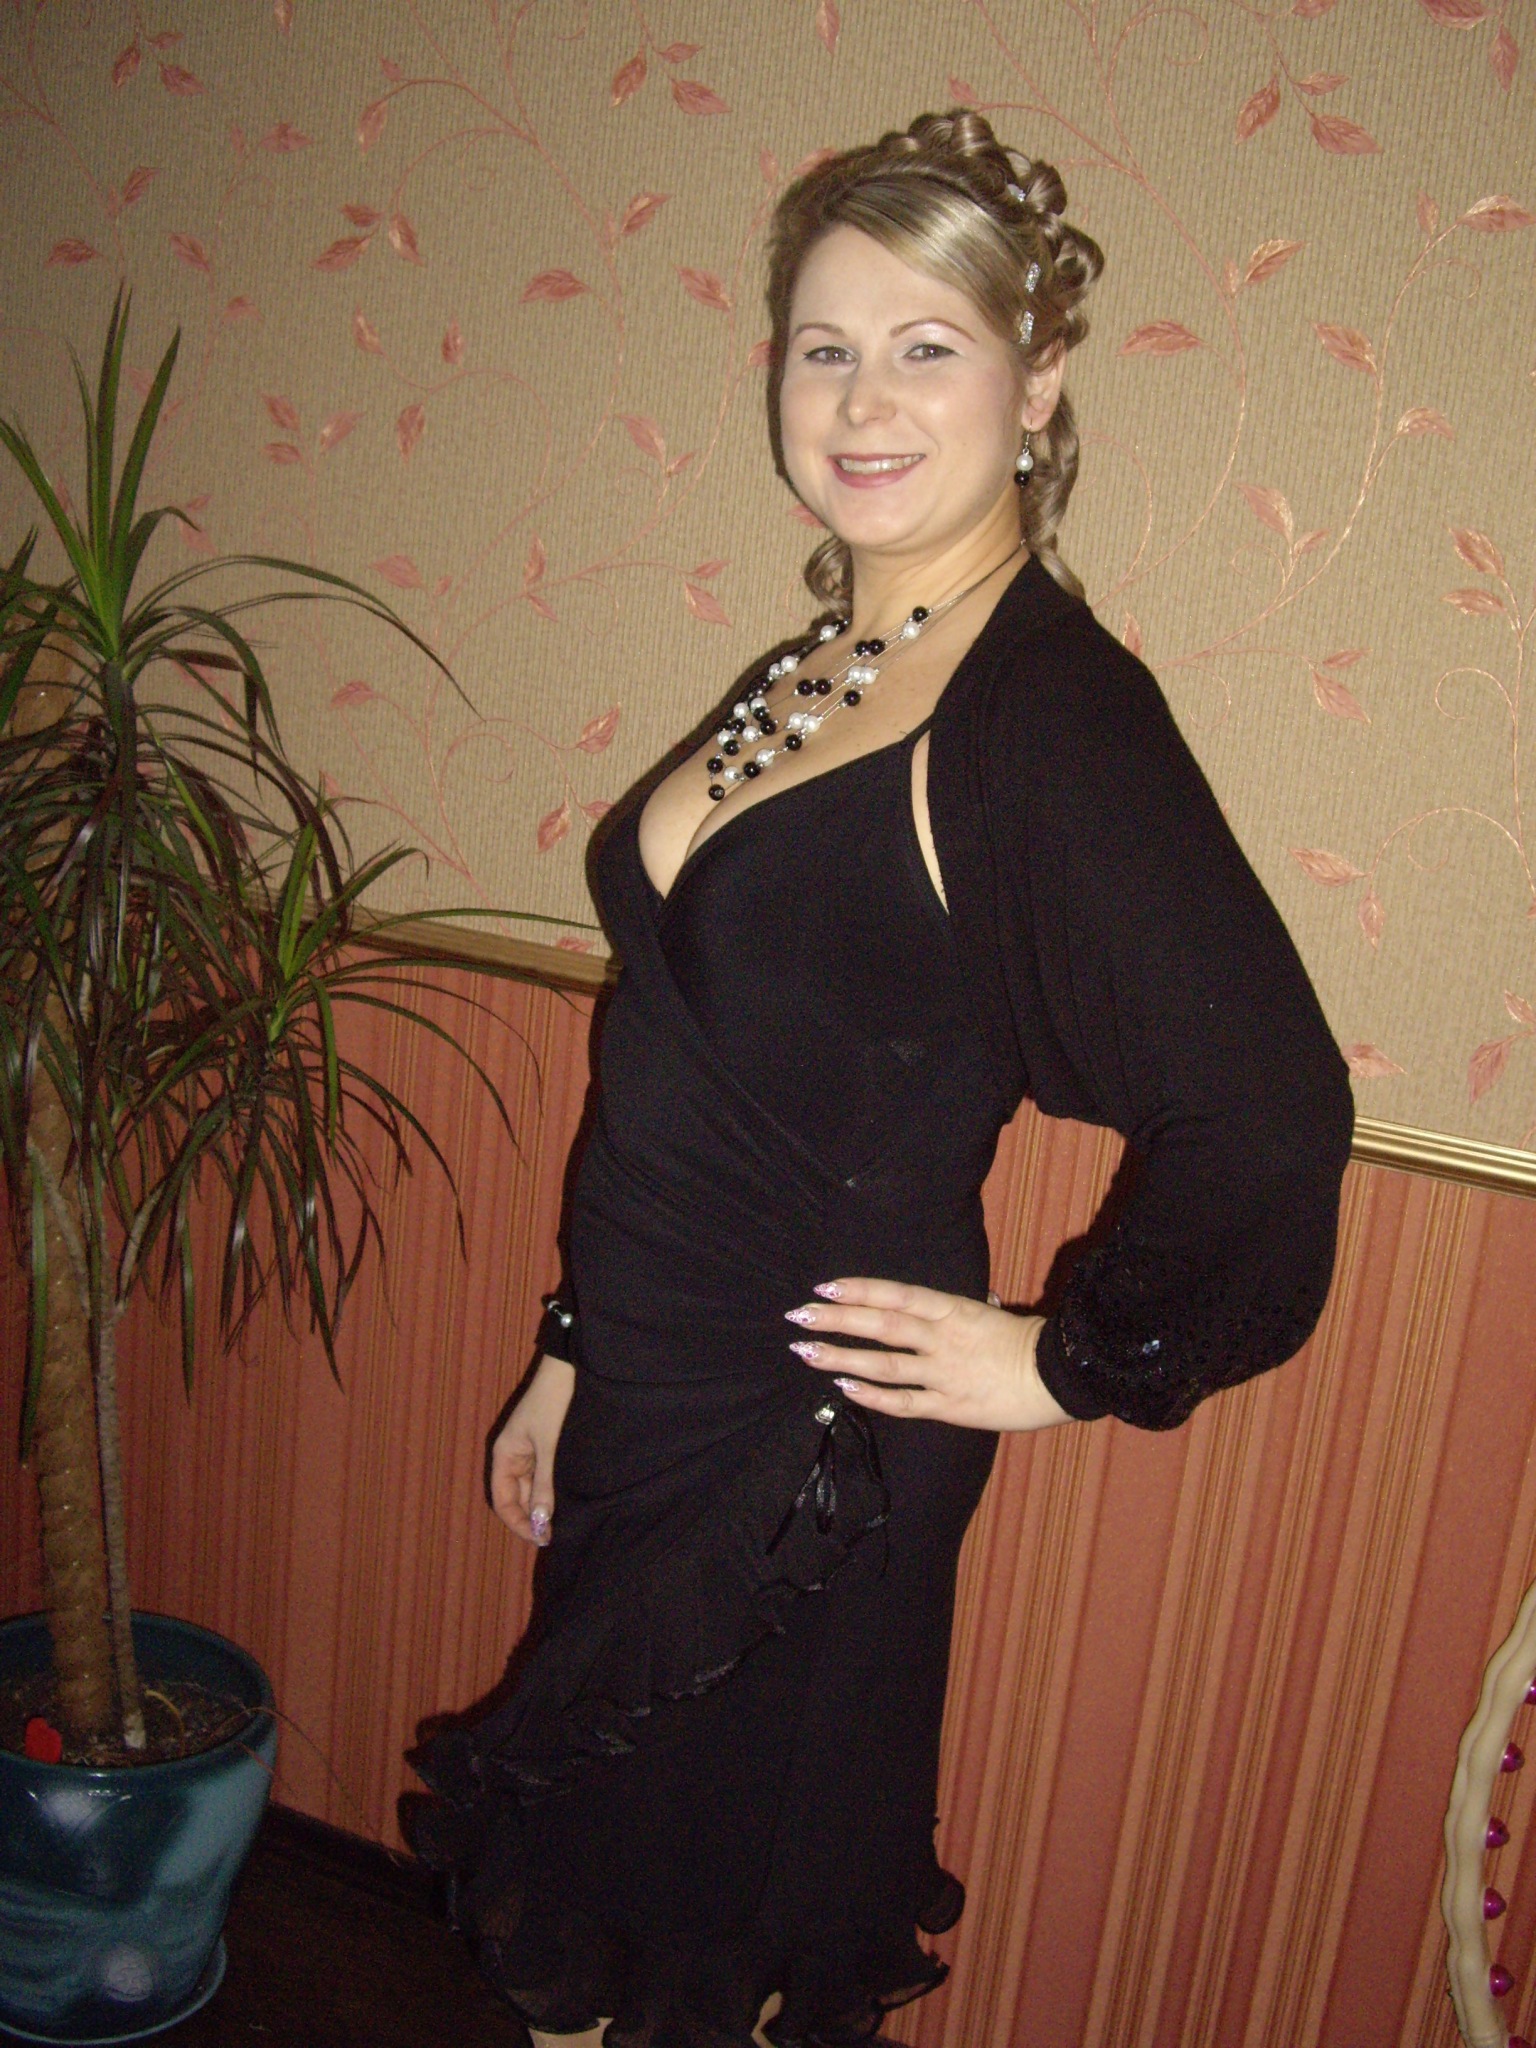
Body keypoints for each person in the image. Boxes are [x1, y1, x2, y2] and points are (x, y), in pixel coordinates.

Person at [406, 110, 1354, 2048]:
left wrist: (1065, 1362)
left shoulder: (1046, 710)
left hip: (807, 1444)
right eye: (823, 345)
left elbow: (1270, 1105)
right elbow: (689, 1054)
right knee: (597, 1931)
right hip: (655, 1385)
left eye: (928, 345)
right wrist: (576, 1344)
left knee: (696, 1954)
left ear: (1038, 383)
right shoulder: (816, 665)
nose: (862, 397)